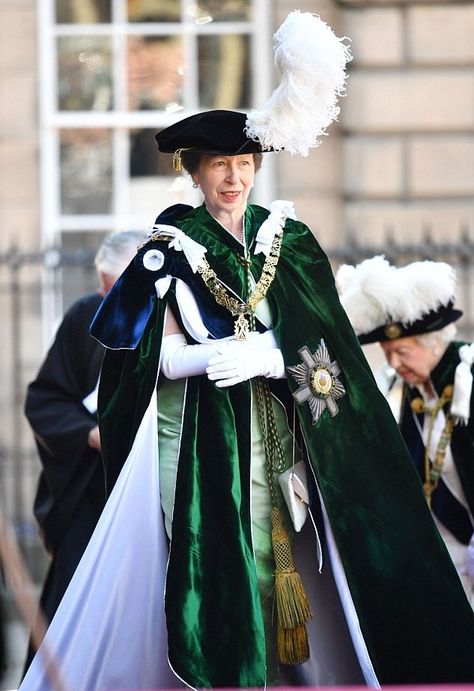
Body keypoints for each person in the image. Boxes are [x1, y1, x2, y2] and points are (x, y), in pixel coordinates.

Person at [20, 12, 474, 691]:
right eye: (218, 168)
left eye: (242, 165)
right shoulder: (166, 251)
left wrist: (271, 353)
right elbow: (143, 357)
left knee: (309, 569)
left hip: (289, 435)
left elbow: (335, 355)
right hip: (204, 446)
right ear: (196, 174)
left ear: (255, 167)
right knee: (216, 572)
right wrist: (205, 360)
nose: (232, 180)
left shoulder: (287, 241)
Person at [22, 230, 146, 672]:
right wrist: (92, 435)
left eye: (112, 286)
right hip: (90, 494)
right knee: (74, 618)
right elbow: (44, 400)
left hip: (155, 491)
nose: (103, 295)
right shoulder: (86, 316)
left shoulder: (174, 319)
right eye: (103, 283)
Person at [336, 255, 474, 607]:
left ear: (433, 343)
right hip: (446, 548)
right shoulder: (415, 390)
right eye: (387, 352)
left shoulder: (466, 378)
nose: (394, 363)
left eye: (401, 351)